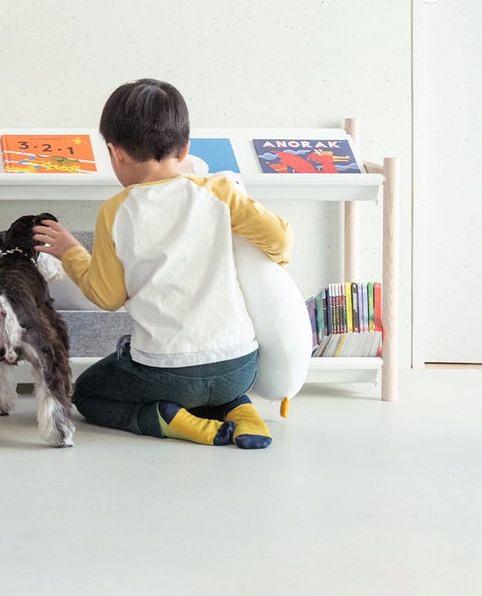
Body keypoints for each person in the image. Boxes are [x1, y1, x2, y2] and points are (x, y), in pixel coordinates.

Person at [32, 78, 293, 449]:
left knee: (87, 393)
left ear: (115, 153)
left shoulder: (116, 211)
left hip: (165, 373)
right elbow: (280, 239)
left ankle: (168, 419)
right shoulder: (219, 191)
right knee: (213, 382)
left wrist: (70, 251)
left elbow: (107, 297)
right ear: (185, 149)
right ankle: (239, 408)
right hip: (238, 366)